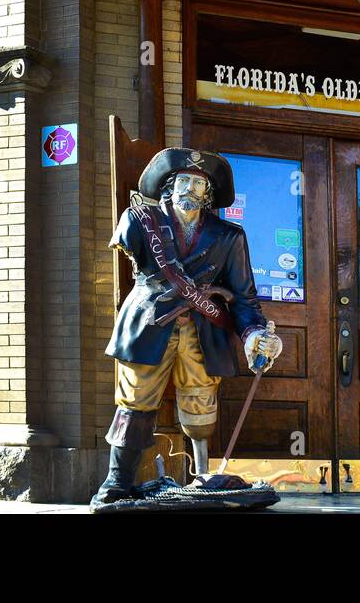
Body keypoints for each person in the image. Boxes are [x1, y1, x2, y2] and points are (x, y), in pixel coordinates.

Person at [91, 147, 283, 509]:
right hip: (148, 323)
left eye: (199, 182)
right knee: (133, 403)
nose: (191, 188)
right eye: (184, 180)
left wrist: (255, 335)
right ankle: (116, 484)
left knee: (200, 403)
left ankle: (202, 478)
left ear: (208, 194)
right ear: (169, 185)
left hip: (202, 329)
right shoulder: (139, 221)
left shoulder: (230, 236)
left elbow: (244, 298)